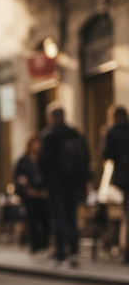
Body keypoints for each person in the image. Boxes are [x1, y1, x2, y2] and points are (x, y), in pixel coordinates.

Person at [39, 104, 90, 268]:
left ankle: (61, 253)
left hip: (55, 185)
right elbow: (85, 157)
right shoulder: (75, 134)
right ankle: (74, 251)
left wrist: (44, 181)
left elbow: (43, 162)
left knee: (58, 218)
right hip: (74, 184)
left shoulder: (49, 135)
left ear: (51, 118)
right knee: (72, 217)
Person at [101, 106, 129, 263]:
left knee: (126, 213)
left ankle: (127, 251)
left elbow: (106, 154)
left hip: (123, 178)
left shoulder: (112, 132)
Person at [13, 136, 49, 255]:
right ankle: (34, 245)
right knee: (32, 221)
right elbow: (17, 177)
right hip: (29, 196)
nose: (36, 146)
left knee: (45, 220)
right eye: (34, 144)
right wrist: (22, 187)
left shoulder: (42, 159)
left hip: (42, 194)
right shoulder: (23, 161)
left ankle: (44, 244)